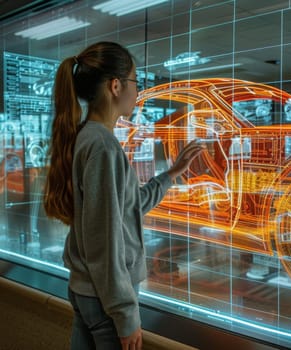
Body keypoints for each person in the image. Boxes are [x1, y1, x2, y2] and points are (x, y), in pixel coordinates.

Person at [43, 41, 204, 350]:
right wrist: (126, 314)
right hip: (105, 301)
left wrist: (171, 174)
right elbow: (106, 240)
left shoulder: (88, 138)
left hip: (88, 292)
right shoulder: (102, 146)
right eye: (136, 82)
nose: (138, 91)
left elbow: (126, 208)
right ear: (115, 86)